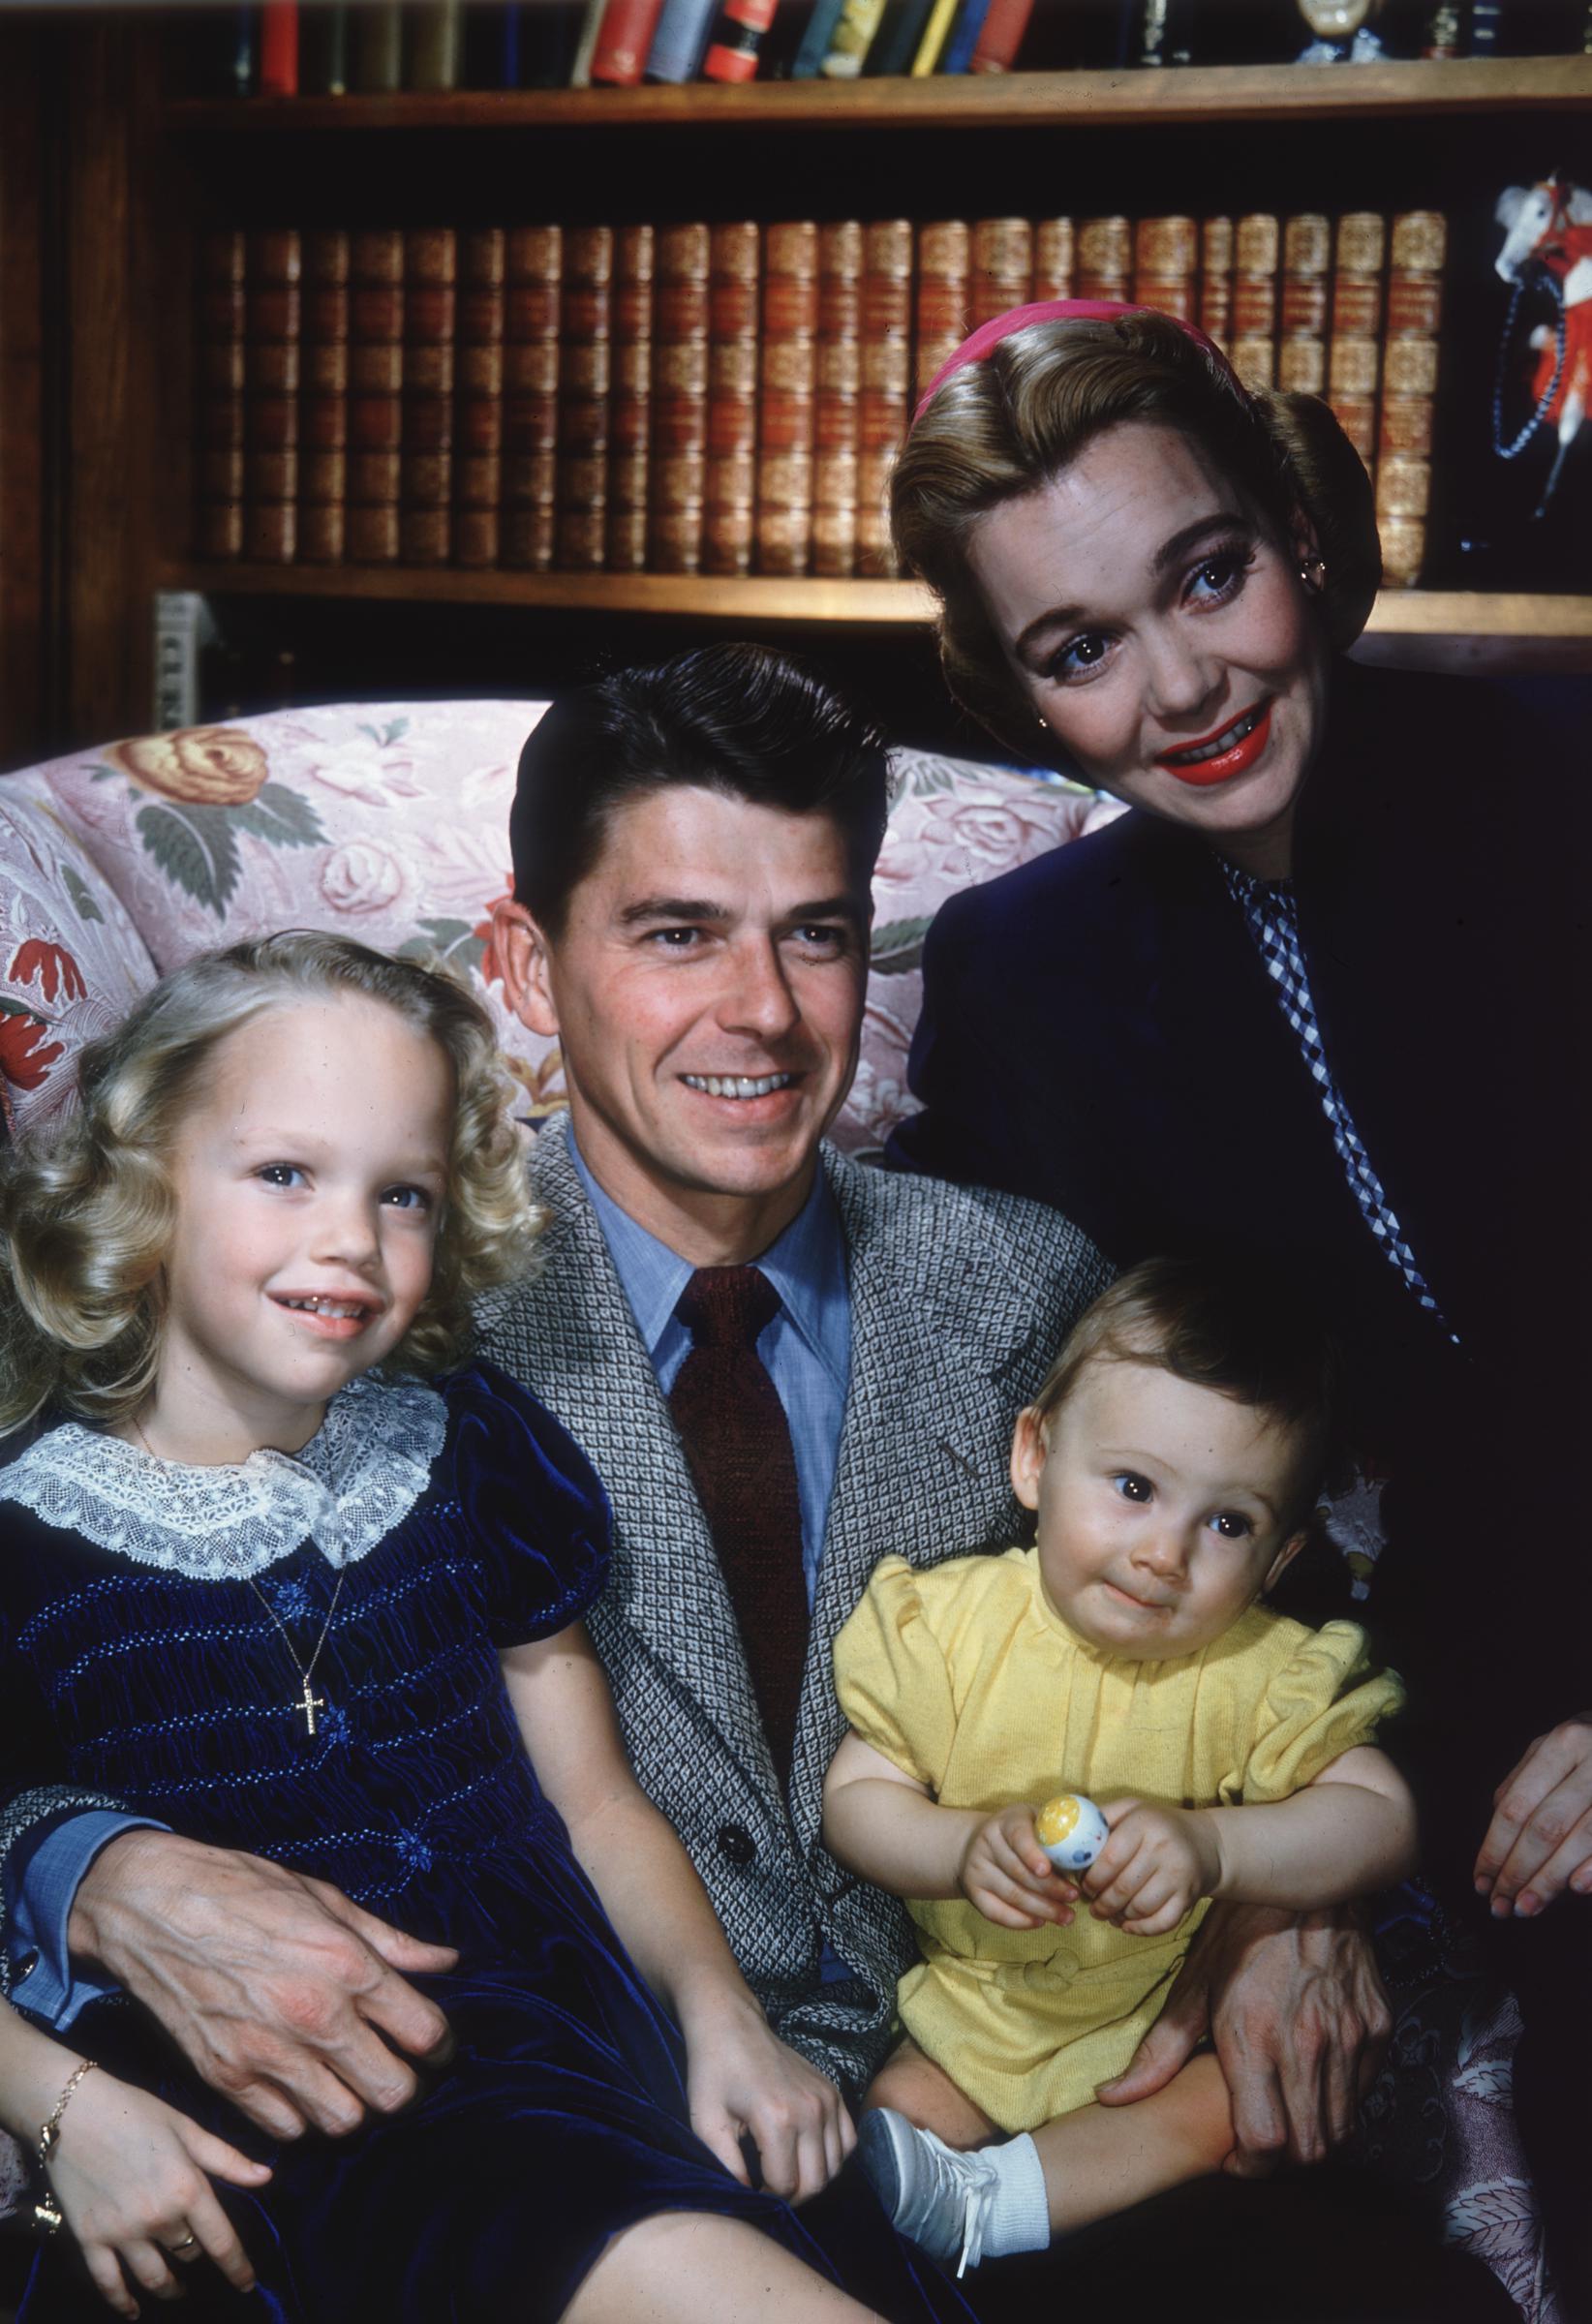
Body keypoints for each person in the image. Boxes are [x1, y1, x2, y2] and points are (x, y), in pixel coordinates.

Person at [1, 651, 1511, 2322]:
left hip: (1013, 2115)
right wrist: (97, 1871)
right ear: (525, 957)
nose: (763, 1011)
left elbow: (1268, 1640)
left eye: (813, 933)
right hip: (617, 2138)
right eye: (674, 934)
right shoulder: (370, 1313)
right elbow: (118, 1649)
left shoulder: (1022, 1288)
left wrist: (1265, 1915)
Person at [885, 300, 1592, 2307]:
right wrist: (1289, 1864)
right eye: (1080, 648)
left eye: (1208, 573)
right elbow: (1112, 1451)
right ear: (1018, 693)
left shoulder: (1566, 774)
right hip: (1443, 1709)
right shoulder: (1024, 974)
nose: (1185, 685)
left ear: (1296, 526)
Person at [0, 931, 972, 2324]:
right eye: (284, 1173)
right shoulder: (27, 1533)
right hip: (292, 2096)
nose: (351, 1239)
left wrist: (723, 2017)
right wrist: (59, 2105)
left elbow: (596, 1802)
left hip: (561, 2016)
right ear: (140, 1181)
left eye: (403, 1194)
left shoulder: (466, 1448)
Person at [823, 1259, 1414, 2276]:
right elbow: (857, 1800)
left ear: (1280, 1560)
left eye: (1227, 1523)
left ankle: (995, 2211)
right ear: (1034, 1462)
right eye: (1133, 1488)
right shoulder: (951, 1627)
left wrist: (1214, 1844)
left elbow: (1381, 1817)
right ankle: (960, 2220)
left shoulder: (1260, 1674)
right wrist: (961, 1847)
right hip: (983, 2010)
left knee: (1243, 2097)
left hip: (1162, 2020)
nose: (1164, 1554)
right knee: (892, 2122)